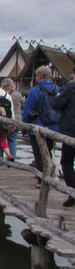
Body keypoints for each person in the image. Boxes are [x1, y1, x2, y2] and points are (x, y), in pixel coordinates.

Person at [22, 66, 59, 178]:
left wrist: (24, 128)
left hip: (37, 127)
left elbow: (28, 110)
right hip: (54, 128)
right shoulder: (58, 89)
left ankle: (41, 179)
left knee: (39, 154)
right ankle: (49, 176)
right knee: (48, 152)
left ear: (39, 76)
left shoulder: (36, 90)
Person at [52, 68, 75, 206]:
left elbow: (55, 104)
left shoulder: (70, 87)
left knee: (66, 162)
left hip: (71, 130)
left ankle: (72, 192)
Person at [2, 77, 24, 158]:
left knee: (2, 139)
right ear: (12, 85)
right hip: (17, 119)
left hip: (5, 119)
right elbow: (23, 102)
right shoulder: (17, 94)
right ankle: (12, 158)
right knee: (13, 140)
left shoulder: (2, 94)